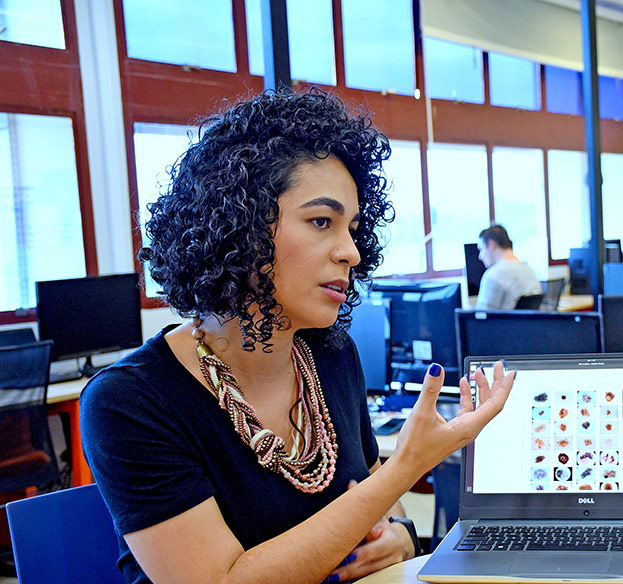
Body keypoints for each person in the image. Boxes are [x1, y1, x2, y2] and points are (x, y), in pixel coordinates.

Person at [80, 88, 515, 584]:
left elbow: (380, 516)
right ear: (236, 227)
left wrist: (400, 537)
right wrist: (406, 467)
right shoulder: (129, 401)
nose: (350, 251)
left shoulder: (331, 355)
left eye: (352, 228)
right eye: (321, 221)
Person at [475, 224, 543, 311]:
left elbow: (481, 317)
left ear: (491, 244)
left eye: (481, 249)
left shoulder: (493, 275)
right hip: (527, 324)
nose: (480, 256)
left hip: (503, 324)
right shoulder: (529, 270)